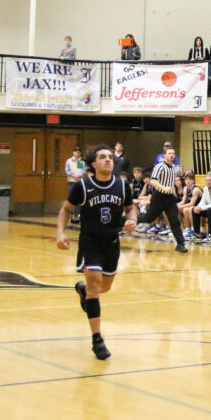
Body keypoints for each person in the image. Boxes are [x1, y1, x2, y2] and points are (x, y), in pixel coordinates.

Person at [55, 145, 136, 360]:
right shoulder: (83, 185)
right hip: (90, 242)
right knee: (94, 287)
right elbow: (65, 209)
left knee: (104, 288)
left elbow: (130, 208)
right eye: (103, 157)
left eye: (110, 157)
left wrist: (133, 219)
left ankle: (83, 291)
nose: (108, 160)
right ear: (94, 163)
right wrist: (60, 233)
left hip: (112, 242)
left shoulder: (121, 185)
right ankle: (97, 339)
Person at [146, 147, 187, 252]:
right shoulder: (159, 166)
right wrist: (164, 188)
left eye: (173, 153)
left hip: (170, 198)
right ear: (165, 155)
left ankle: (180, 244)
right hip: (159, 196)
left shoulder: (174, 168)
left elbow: (171, 182)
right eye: (169, 153)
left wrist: (173, 192)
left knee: (174, 220)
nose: (171, 155)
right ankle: (128, 221)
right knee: (148, 218)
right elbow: (153, 181)